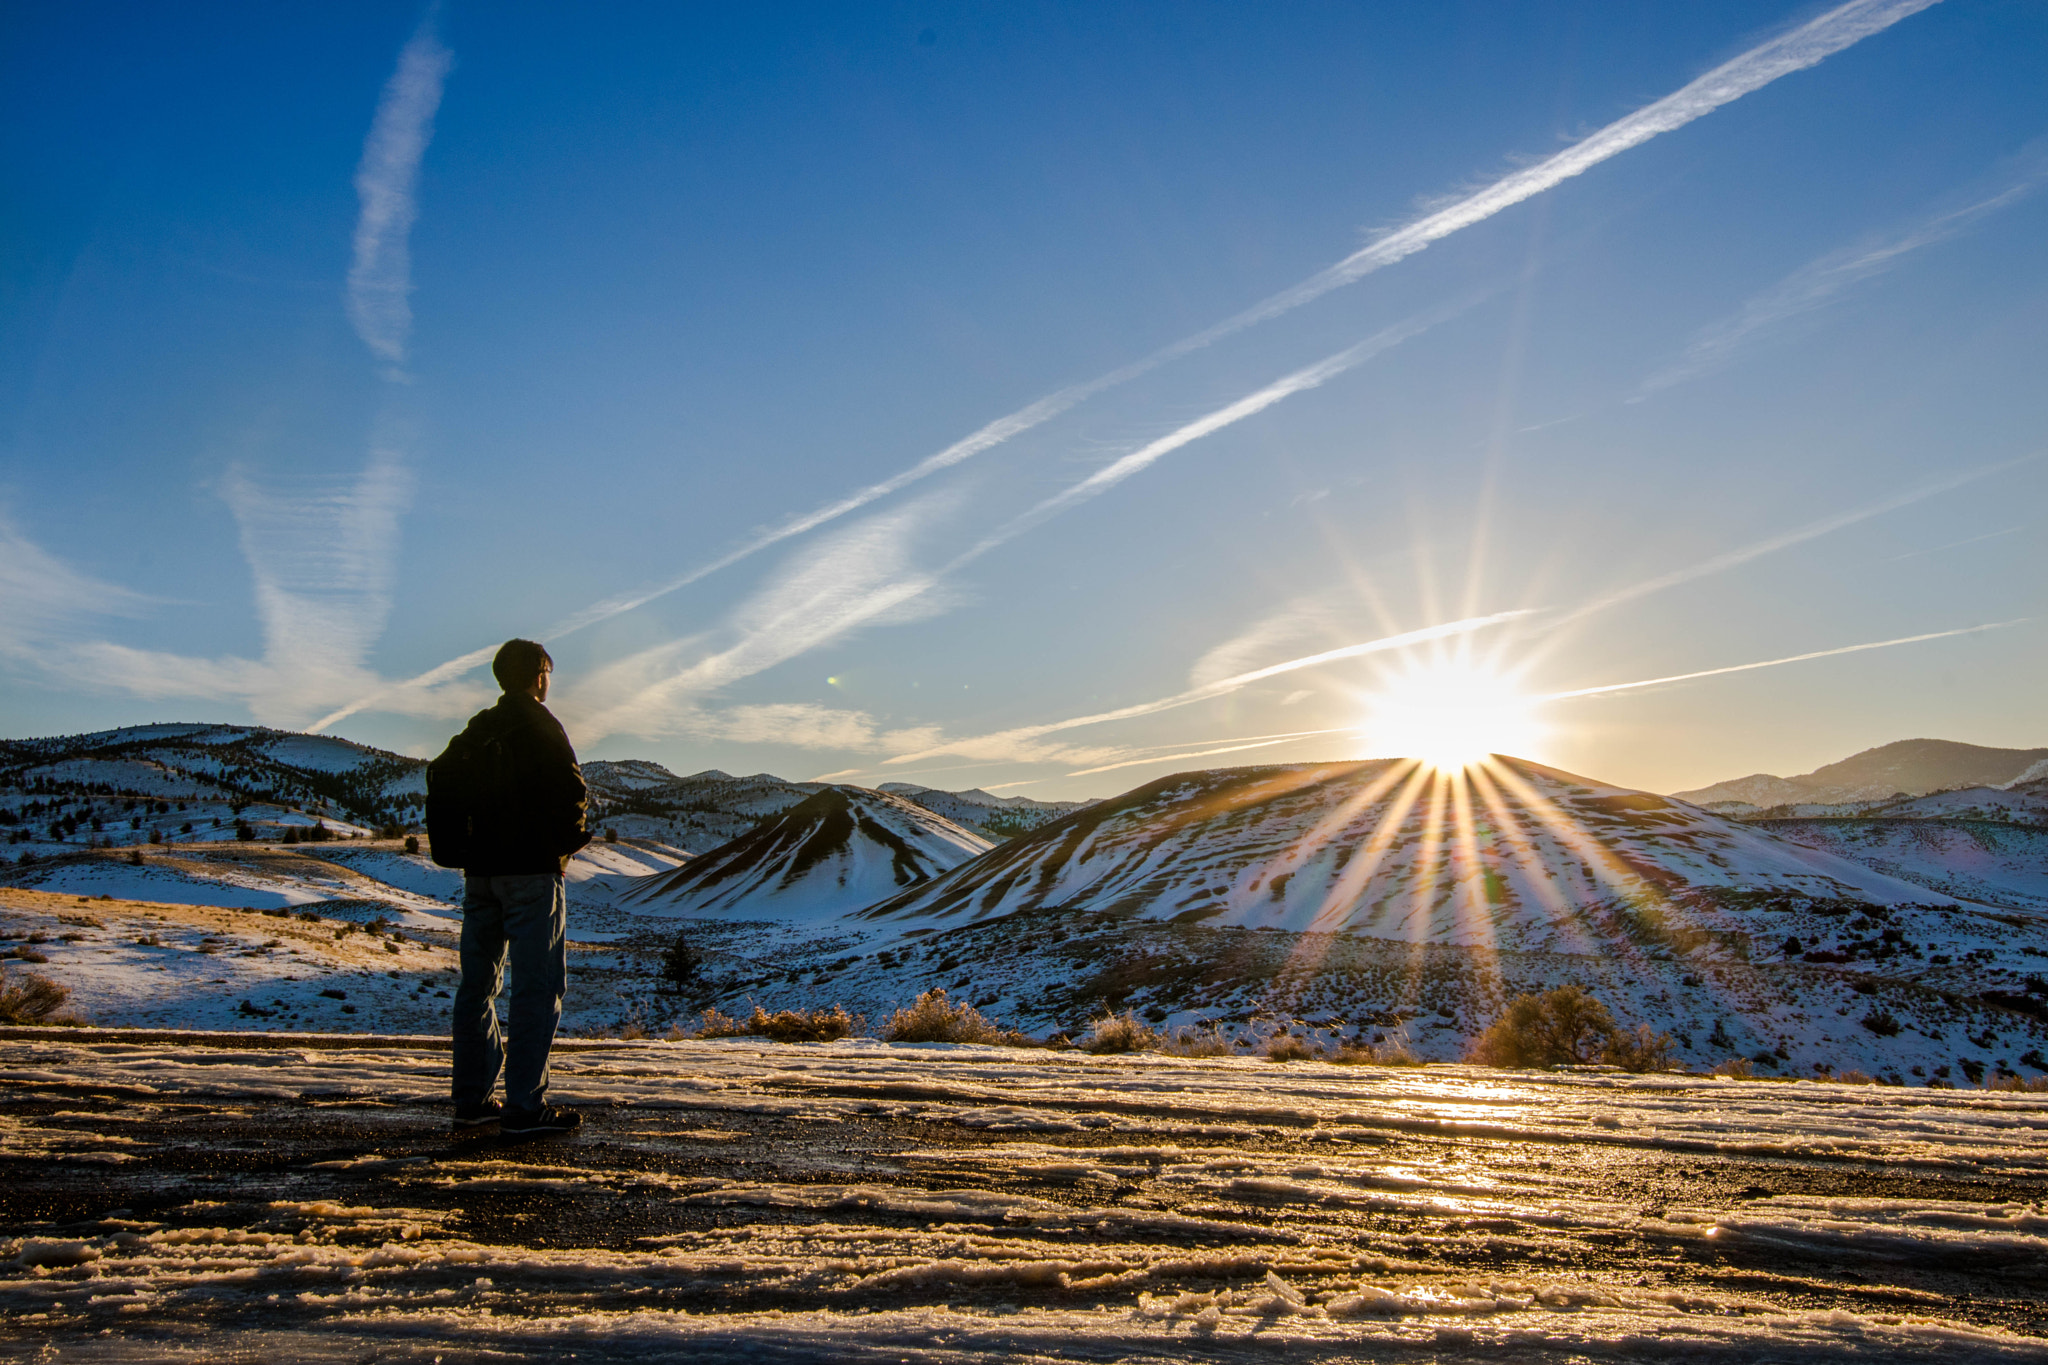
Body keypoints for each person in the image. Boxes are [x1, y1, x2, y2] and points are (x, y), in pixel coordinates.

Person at [441, 638, 590, 1137]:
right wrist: (563, 848)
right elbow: (573, 793)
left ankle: (472, 1100)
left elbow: (441, 779)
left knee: (477, 987)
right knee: (536, 986)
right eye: (548, 670)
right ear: (538, 675)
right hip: (531, 872)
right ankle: (525, 1106)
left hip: (480, 873)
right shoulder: (541, 725)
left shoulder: (479, 727)